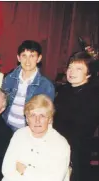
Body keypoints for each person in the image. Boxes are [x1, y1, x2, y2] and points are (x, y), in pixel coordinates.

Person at [2, 94, 71, 181]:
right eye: (32, 115)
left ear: (50, 119)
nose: (37, 120)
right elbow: (7, 169)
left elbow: (55, 178)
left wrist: (25, 171)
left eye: (42, 116)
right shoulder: (19, 135)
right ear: (27, 119)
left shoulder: (61, 144)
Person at [53, 51, 99, 181]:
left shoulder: (94, 96)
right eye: (70, 67)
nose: (71, 72)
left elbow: (79, 129)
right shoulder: (62, 90)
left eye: (78, 69)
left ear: (88, 74)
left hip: (76, 152)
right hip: (56, 146)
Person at [2, 40, 55, 131]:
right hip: (5, 127)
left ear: (39, 58)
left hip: (27, 131)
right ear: (18, 58)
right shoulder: (9, 78)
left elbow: (47, 115)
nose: (27, 61)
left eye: (32, 56)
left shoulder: (46, 85)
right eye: (24, 56)